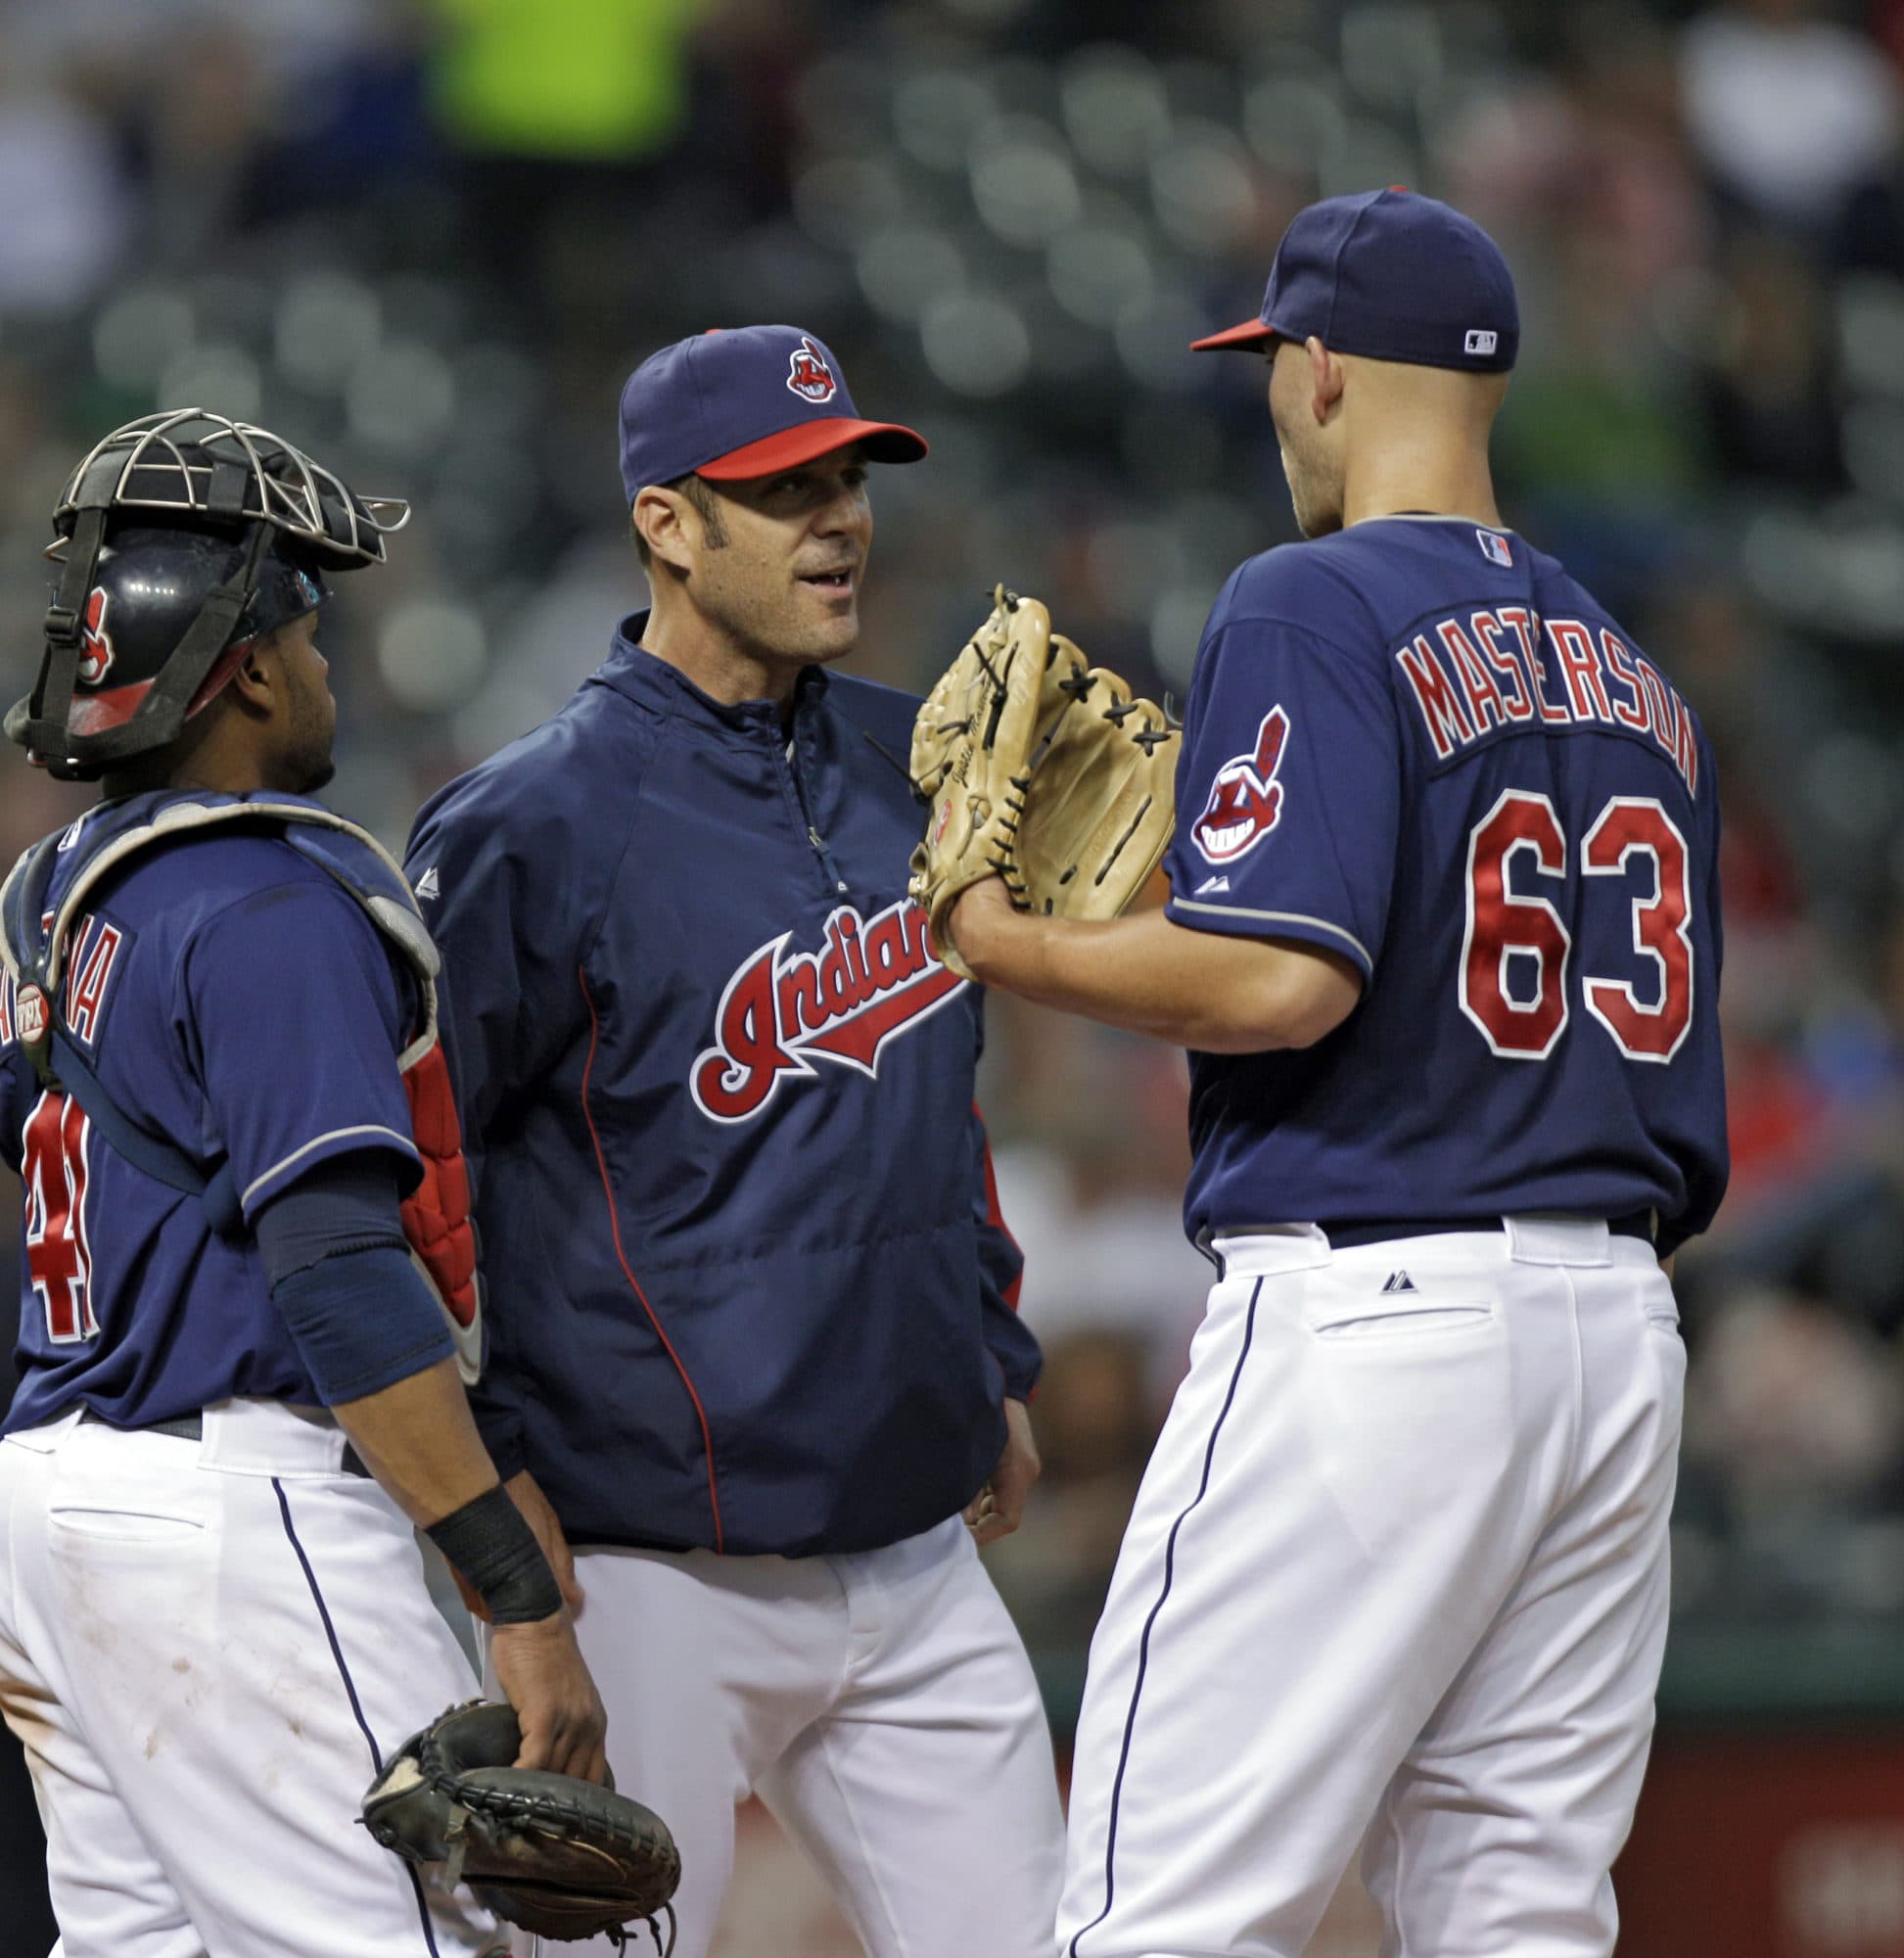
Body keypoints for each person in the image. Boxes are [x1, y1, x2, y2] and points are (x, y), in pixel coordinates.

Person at [941, 189, 1729, 1958]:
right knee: (1517, 1916)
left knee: (1164, 1914)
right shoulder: (1632, 665)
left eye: (1268, 369)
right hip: (1614, 1345)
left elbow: (1284, 976)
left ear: (1315, 375)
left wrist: (1014, 946)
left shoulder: (1311, 598)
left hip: (1382, 1315)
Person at [405, 326, 1063, 1958]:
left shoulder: (923, 767)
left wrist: (983, 1342)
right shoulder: (530, 824)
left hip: (913, 1555)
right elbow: (416, 1187)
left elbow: (937, 1085)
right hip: (646, 1569)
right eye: (780, 491)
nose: (835, 520)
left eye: (846, 479)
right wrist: (489, 1504)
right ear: (666, 523)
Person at [0, 408, 607, 1958]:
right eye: (308, 635)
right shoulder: (265, 899)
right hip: (227, 1517)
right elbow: (330, 1272)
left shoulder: (61, 900)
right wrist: (514, 1594)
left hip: (51, 1502)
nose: (327, 667)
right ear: (243, 669)